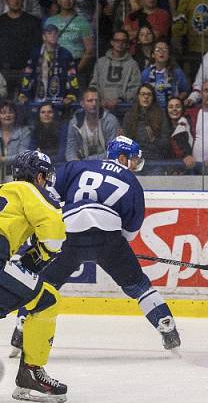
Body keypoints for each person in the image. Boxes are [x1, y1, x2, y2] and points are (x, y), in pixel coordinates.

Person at [12, 138, 182, 367]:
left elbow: (46, 193)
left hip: (68, 233)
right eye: (132, 160)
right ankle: (166, 326)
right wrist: (112, 247)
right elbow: (130, 233)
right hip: (109, 237)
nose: (134, 166)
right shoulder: (131, 181)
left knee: (42, 284)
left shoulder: (78, 166)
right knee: (138, 285)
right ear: (122, 158)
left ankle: (21, 330)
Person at [0, 150, 67, 402]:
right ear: (39, 176)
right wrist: (38, 258)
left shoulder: (3, 190)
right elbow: (53, 235)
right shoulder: (30, 190)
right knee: (47, 300)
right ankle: (31, 372)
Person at [17, 24, 80, 106]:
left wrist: (71, 95)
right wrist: (23, 94)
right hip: (38, 97)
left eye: (55, 33)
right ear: (44, 36)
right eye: (49, 33)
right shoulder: (36, 53)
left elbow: (72, 76)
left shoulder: (65, 54)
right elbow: (28, 75)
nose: (53, 36)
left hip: (59, 98)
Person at [43, 0, 94, 81]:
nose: (68, 1)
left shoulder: (83, 22)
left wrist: (76, 70)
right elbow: (45, 46)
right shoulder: (50, 21)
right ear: (58, 0)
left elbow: (89, 50)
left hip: (76, 64)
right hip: (54, 65)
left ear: (75, 0)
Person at [122, 84, 172, 173]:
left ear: (153, 98)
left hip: (155, 162)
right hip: (134, 160)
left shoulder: (161, 115)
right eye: (143, 94)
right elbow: (126, 142)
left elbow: (166, 143)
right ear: (138, 97)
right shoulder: (129, 116)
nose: (146, 97)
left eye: (149, 94)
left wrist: (154, 139)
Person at [0, 0, 42, 93]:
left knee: (26, 104)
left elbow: (38, 47)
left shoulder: (33, 21)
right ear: (6, 0)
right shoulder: (0, 21)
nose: (16, 1)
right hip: (3, 71)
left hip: (27, 70)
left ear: (23, 0)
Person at [90, 29, 142, 112]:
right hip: (101, 108)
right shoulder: (100, 62)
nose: (120, 43)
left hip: (123, 108)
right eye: (117, 40)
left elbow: (135, 87)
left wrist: (120, 100)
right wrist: (99, 99)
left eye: (123, 41)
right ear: (112, 42)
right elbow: (94, 84)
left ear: (127, 44)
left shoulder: (133, 64)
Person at [65, 88, 122, 162]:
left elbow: (113, 151)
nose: (94, 104)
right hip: (81, 165)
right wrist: (75, 164)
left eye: (96, 100)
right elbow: (70, 150)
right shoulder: (74, 122)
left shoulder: (110, 121)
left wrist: (87, 161)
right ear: (82, 103)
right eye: (90, 100)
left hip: (106, 164)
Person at [141, 40, 191, 108]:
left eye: (165, 49)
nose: (161, 52)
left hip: (171, 109)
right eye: (158, 50)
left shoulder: (177, 72)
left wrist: (175, 102)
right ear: (153, 55)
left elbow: (184, 91)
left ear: (168, 55)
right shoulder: (146, 73)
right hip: (152, 109)